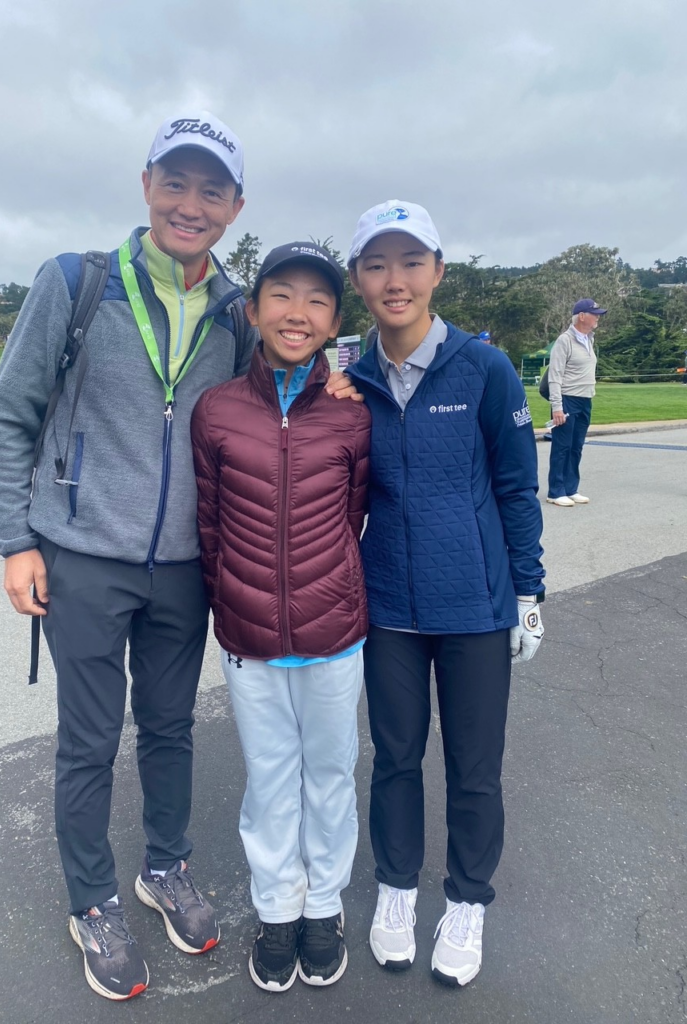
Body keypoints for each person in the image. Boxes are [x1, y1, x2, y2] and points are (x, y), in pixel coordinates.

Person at [0, 111, 355, 1001]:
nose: (192, 204)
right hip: (81, 554)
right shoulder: (76, 283)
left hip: (185, 566)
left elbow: (289, 374)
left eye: (211, 190)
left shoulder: (238, 309)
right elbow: (10, 416)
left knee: (171, 727)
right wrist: (14, 542)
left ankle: (165, 865)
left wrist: (335, 368)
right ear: (147, 183)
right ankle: (93, 900)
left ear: (234, 206)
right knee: (87, 737)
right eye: (176, 183)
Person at [345, 200, 546, 987]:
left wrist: (530, 590)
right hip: (387, 604)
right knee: (394, 757)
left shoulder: (484, 369)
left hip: (475, 605)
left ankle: (467, 900)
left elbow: (516, 489)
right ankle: (396, 891)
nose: (394, 281)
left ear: (437, 270)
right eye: (376, 264)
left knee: (475, 765)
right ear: (359, 277)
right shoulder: (350, 378)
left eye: (410, 262)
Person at [191, 242, 371, 992]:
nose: (299, 313)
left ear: (334, 321)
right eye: (283, 296)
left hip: (334, 636)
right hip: (249, 639)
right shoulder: (218, 409)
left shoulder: (351, 416)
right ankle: (276, 909)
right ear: (255, 309)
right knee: (269, 781)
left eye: (318, 301)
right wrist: (233, 605)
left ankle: (322, 905)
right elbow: (209, 525)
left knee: (330, 775)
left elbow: (353, 513)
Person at [545, 299, 607, 506]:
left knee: (576, 446)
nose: (598, 317)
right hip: (567, 399)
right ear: (582, 316)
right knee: (562, 446)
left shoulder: (590, 338)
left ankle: (571, 488)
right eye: (594, 313)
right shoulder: (565, 340)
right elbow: (555, 376)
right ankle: (556, 491)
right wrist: (557, 407)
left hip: (585, 399)